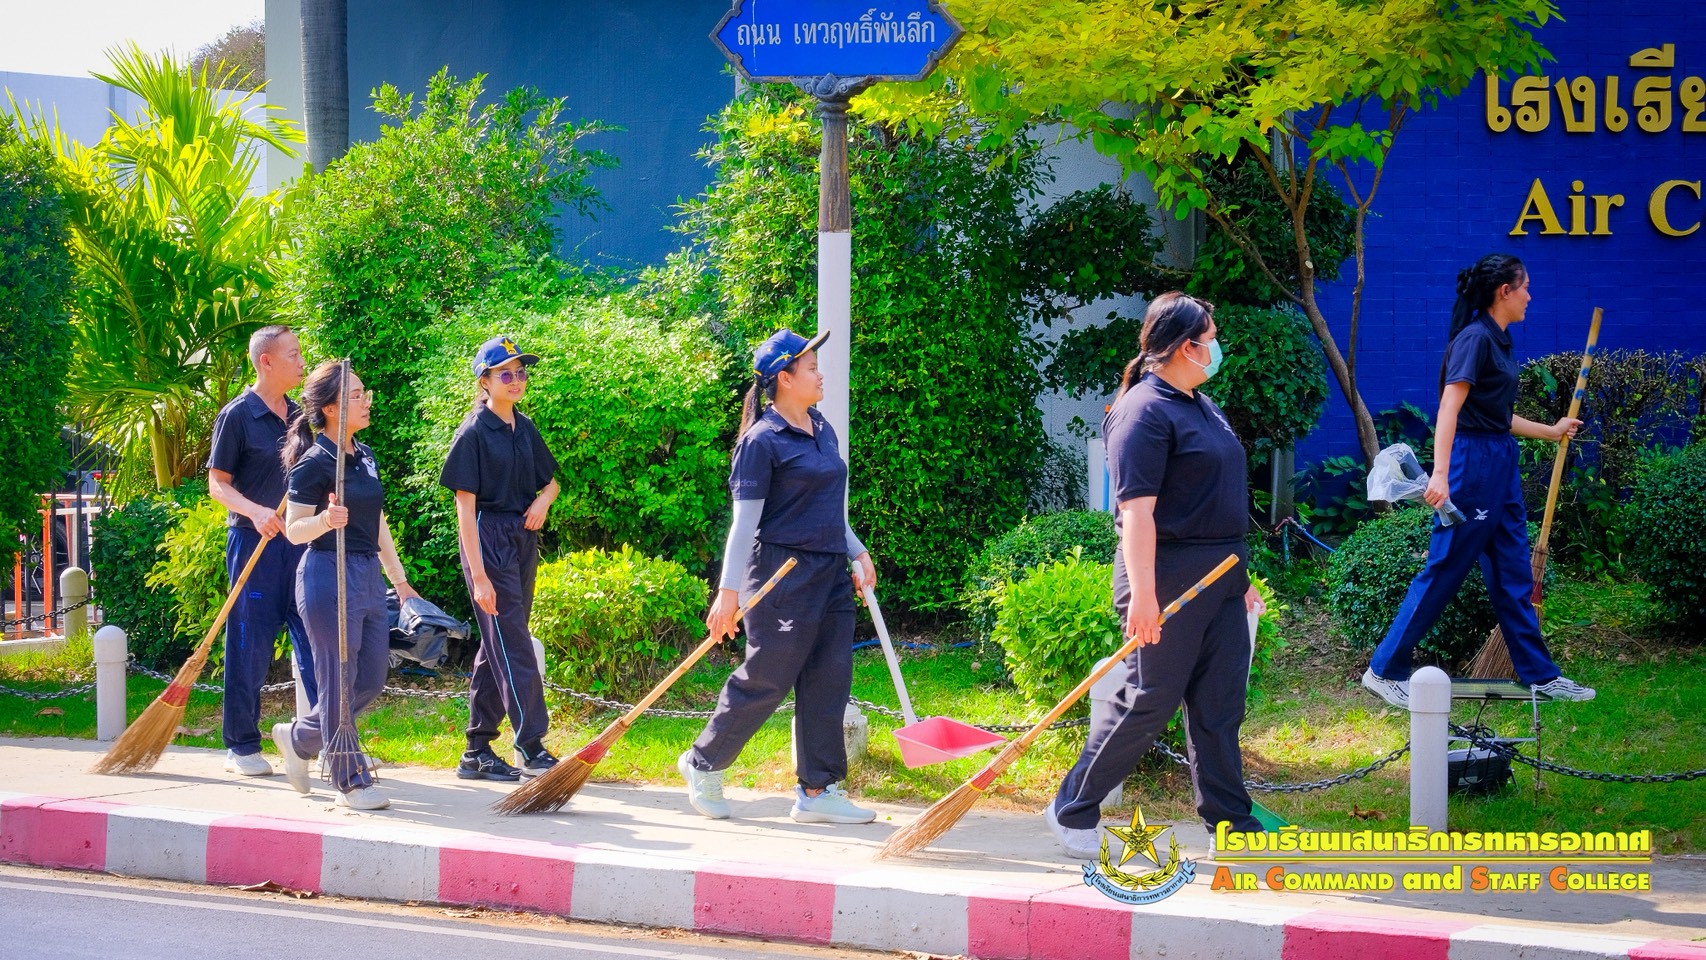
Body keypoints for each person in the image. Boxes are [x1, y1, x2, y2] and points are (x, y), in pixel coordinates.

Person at [1044, 292, 1264, 860]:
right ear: (1186, 347)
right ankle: (1073, 807)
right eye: (1210, 339)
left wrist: (1241, 578)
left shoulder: (1202, 405)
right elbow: (1136, 513)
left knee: (1219, 706)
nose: (1216, 347)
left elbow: (1215, 498)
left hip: (1221, 576)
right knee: (1149, 699)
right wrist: (1143, 595)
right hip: (1164, 577)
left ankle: (1231, 825)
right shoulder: (1142, 411)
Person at [1362, 254, 1595, 708]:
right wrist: (1442, 474)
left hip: (1499, 460)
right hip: (1471, 464)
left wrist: (1551, 431)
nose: (1530, 296)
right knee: (1445, 568)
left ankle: (1540, 676)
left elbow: (1497, 416)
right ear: (1504, 291)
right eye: (1525, 287)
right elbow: (1449, 409)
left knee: (1513, 572)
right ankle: (1384, 670)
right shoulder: (1475, 339)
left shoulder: (1500, 341)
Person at [678, 328, 879, 824]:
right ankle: (703, 763)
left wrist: (856, 551)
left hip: (830, 571)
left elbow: (828, 506)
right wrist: (728, 594)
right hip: (780, 574)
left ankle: (818, 789)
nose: (820, 374)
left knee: (829, 677)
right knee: (768, 676)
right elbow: (745, 523)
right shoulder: (761, 441)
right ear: (785, 378)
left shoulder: (821, 427)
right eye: (811, 367)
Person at [271, 360, 419, 810]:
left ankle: (299, 738)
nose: (366, 402)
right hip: (327, 573)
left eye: (364, 393)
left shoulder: (366, 455)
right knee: (337, 680)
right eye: (356, 396)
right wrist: (325, 520)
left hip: (367, 574)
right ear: (331, 409)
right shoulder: (314, 464)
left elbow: (378, 523)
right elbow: (293, 529)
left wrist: (400, 581)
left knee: (370, 677)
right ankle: (350, 781)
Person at [439, 336, 562, 781]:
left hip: (521, 538)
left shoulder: (524, 427)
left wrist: (543, 500)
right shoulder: (473, 433)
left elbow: (551, 482)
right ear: (484, 382)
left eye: (521, 372)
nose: (516, 380)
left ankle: (476, 749)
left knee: (500, 642)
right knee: (514, 642)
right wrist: (479, 576)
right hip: (487, 538)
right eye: (505, 373)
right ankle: (531, 744)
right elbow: (464, 510)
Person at [206, 325, 318, 777]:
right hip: (254, 544)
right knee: (249, 645)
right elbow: (217, 484)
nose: (302, 362)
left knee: (316, 642)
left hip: (301, 543)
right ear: (266, 361)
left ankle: (324, 739)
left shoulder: (301, 417)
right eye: (293, 355)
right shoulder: (237, 415)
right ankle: (241, 745)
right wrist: (254, 511)